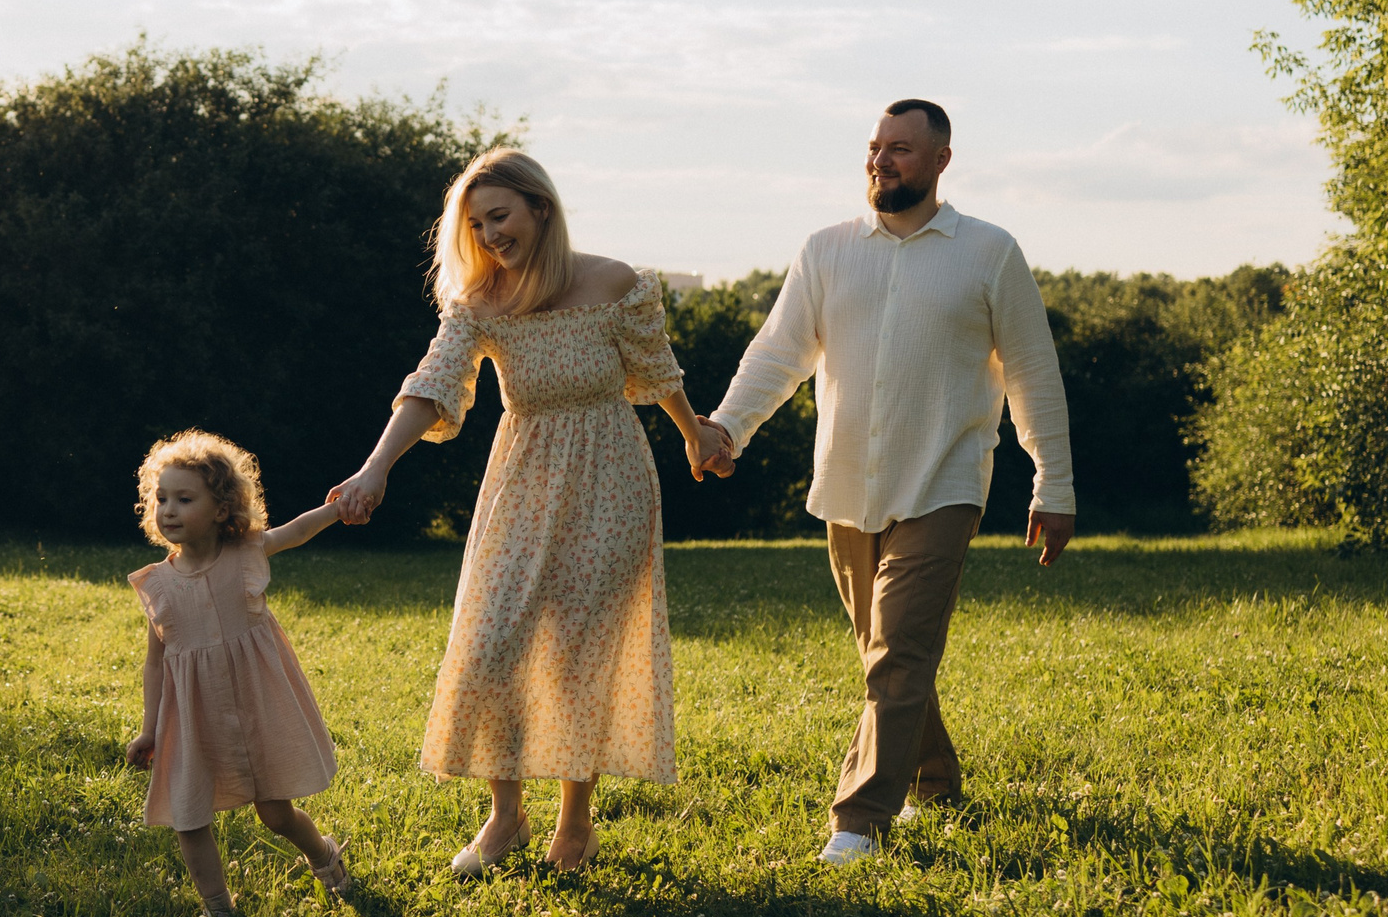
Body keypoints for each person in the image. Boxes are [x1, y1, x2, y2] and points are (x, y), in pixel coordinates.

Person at [329, 149, 732, 875]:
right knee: (493, 642)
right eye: (476, 225)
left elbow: (659, 370)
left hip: (611, 478)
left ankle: (575, 825)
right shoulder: (480, 301)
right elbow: (432, 384)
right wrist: (375, 466)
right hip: (522, 479)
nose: (490, 236)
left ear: (540, 208)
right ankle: (505, 815)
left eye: (500, 216)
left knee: (580, 650)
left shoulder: (615, 283)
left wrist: (694, 435)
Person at [703, 99, 1075, 867]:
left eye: (901, 148)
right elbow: (778, 353)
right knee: (890, 651)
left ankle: (859, 820)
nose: (881, 160)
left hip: (945, 480)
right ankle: (935, 780)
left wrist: (1055, 482)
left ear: (941, 159)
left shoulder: (989, 252)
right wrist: (729, 427)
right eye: (875, 146)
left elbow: (1033, 373)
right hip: (847, 485)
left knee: (898, 647)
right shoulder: (826, 250)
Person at [125, 429, 353, 917]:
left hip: (256, 707)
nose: (168, 510)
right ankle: (218, 908)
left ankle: (322, 854)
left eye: (185, 499)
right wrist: (149, 728)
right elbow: (155, 662)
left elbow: (296, 530)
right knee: (188, 816)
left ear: (222, 509)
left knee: (275, 813)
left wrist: (338, 507)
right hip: (192, 718)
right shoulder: (158, 584)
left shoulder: (245, 553)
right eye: (161, 499)